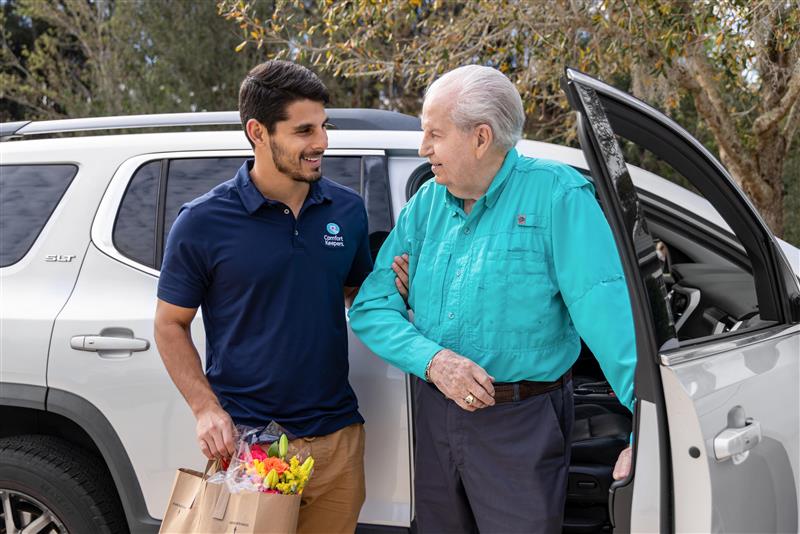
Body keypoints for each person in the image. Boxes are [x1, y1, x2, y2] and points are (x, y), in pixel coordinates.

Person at [349, 64, 636, 533]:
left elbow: (608, 316)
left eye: (434, 135)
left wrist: (650, 420)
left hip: (520, 424)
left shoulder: (558, 196)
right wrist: (435, 361)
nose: (424, 149)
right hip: (435, 413)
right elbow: (370, 306)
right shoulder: (426, 205)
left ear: (481, 138)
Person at [154, 60, 373, 533]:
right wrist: (205, 408)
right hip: (250, 445)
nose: (322, 142)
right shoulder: (203, 222)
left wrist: (398, 285)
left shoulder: (348, 210)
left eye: (323, 126)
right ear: (257, 131)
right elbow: (169, 324)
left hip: (338, 440)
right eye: (304, 130)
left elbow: (358, 294)